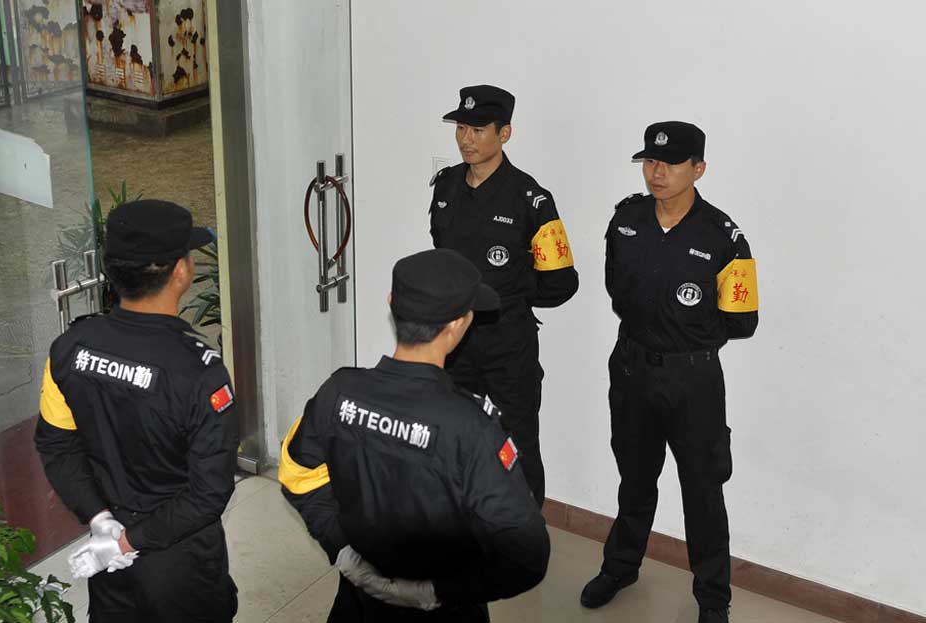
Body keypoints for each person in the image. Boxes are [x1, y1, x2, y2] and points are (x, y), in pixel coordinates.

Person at [280, 248, 551, 622]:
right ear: (458, 324)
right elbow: (527, 553)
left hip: (358, 605)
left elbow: (296, 473)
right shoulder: (471, 426)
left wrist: (341, 547)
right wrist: (437, 591)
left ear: (392, 303)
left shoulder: (338, 392)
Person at [581, 122, 758, 623]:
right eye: (650, 161)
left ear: (698, 169)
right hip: (631, 369)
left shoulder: (723, 237)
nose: (656, 172)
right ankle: (620, 567)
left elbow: (743, 320)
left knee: (702, 491)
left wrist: (688, 336)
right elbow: (616, 289)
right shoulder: (627, 220)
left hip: (692, 381)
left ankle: (713, 598)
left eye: (671, 164)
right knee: (635, 478)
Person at [35, 199, 240, 623]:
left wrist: (101, 520)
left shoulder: (69, 349)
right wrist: (127, 541)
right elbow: (208, 493)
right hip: (180, 560)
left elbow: (56, 445)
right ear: (180, 271)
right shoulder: (199, 372)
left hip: (110, 559)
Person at [429, 84, 579, 506]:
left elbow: (562, 282)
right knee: (452, 438)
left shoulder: (531, 200)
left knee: (518, 446)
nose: (465, 139)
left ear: (504, 133)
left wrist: (507, 293)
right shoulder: (446, 187)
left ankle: (524, 533)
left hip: (508, 344)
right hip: (455, 341)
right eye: (461, 128)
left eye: (478, 130)